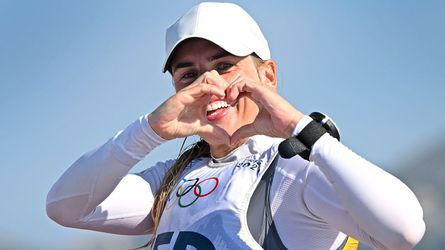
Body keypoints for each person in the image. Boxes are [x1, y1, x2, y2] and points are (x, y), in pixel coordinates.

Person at [46, 2, 425, 249]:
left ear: (269, 75)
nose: (208, 86)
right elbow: (65, 208)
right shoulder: (170, 181)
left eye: (225, 66)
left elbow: (404, 231)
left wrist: (301, 129)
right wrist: (148, 132)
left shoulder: (294, 169)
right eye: (188, 75)